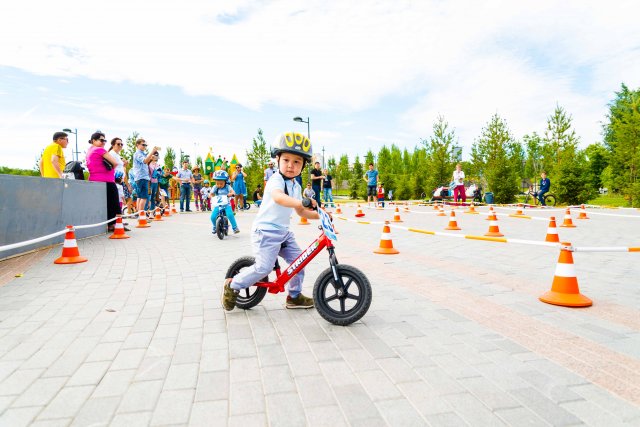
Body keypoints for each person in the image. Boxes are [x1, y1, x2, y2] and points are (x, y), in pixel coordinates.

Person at [221, 131, 321, 311]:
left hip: (283, 234)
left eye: (297, 162)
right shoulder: (275, 180)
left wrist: (320, 215)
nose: (291, 165)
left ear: (303, 165)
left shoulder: (296, 186)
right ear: (278, 160)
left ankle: (294, 296)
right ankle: (233, 285)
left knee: (300, 262)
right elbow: (278, 197)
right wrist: (302, 201)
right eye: (286, 160)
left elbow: (300, 212)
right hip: (265, 232)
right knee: (263, 268)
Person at [86, 131, 121, 232]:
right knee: (114, 203)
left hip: (94, 180)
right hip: (107, 180)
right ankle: (116, 225)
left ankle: (106, 225)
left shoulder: (89, 151)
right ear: (93, 140)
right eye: (101, 140)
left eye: (105, 140)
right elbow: (115, 163)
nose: (104, 142)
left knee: (102, 204)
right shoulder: (99, 150)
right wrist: (110, 169)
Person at [133, 139, 160, 213]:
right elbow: (145, 161)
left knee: (140, 197)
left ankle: (139, 214)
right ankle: (142, 216)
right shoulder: (138, 154)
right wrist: (152, 152)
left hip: (141, 177)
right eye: (143, 145)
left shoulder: (142, 153)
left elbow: (146, 160)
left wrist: (151, 157)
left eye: (145, 145)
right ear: (137, 145)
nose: (145, 146)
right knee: (144, 197)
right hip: (142, 177)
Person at [108, 138, 133, 215]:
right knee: (115, 202)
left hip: (119, 181)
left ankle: (119, 221)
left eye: (121, 144)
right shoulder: (111, 154)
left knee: (120, 201)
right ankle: (116, 222)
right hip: (114, 180)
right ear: (113, 145)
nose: (120, 146)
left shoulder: (117, 155)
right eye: (118, 144)